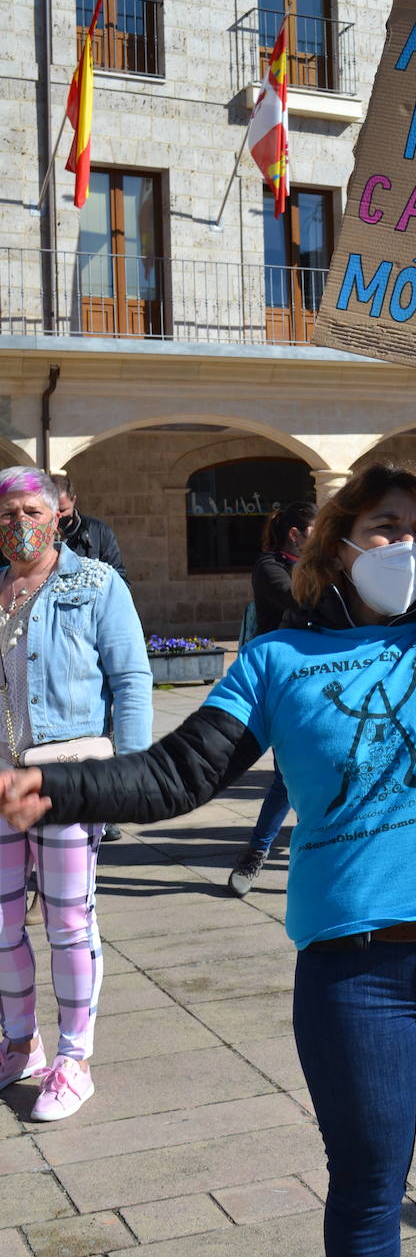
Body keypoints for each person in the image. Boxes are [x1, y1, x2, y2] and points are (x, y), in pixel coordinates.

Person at [0, 351, 416, 1257]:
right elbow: (178, 774)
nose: (401, 543)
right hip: (351, 974)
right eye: (383, 525)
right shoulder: (274, 660)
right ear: (340, 540)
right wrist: (56, 785)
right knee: (365, 1192)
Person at [0, 466, 151, 1120]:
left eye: (30, 511)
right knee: (3, 925)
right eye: (6, 515)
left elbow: (132, 676)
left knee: (68, 920)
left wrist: (133, 776)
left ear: (58, 513)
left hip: (70, 774)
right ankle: (19, 1043)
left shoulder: (95, 582)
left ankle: (74, 1059)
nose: (18, 525)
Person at [228, 501, 317, 898]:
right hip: (281, 683)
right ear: (295, 534)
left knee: (308, 773)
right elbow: (301, 599)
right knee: (286, 777)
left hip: (319, 681)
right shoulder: (270, 567)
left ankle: (325, 854)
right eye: (317, 529)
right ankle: (256, 853)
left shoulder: (319, 566)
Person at [51, 474, 130, 843]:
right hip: (54, 645)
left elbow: (120, 578)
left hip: (90, 642)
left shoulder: (96, 533)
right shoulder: (40, 535)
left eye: (63, 511)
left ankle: (105, 808)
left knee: (101, 731)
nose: (59, 519)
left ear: (74, 501)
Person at [50, 475, 129, 583]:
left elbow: (119, 580)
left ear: (73, 500)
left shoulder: (99, 533)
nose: (58, 516)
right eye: (53, 511)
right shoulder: (38, 536)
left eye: (62, 510)